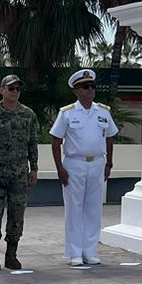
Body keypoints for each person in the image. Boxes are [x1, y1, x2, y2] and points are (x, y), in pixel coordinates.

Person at [49, 68, 117, 267]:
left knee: (93, 208)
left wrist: (109, 163)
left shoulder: (103, 111)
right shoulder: (67, 113)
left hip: (97, 163)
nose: (90, 90)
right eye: (85, 87)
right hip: (74, 164)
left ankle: (90, 250)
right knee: (74, 208)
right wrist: (60, 168)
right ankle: (75, 252)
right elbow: (56, 141)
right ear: (76, 91)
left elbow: (110, 137)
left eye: (92, 86)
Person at [0, 74, 39, 271]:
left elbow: (33, 143)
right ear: (2, 90)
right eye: (10, 88)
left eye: (17, 89)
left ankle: (11, 254)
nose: (14, 92)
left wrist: (34, 168)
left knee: (17, 215)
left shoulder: (28, 114)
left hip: (20, 175)